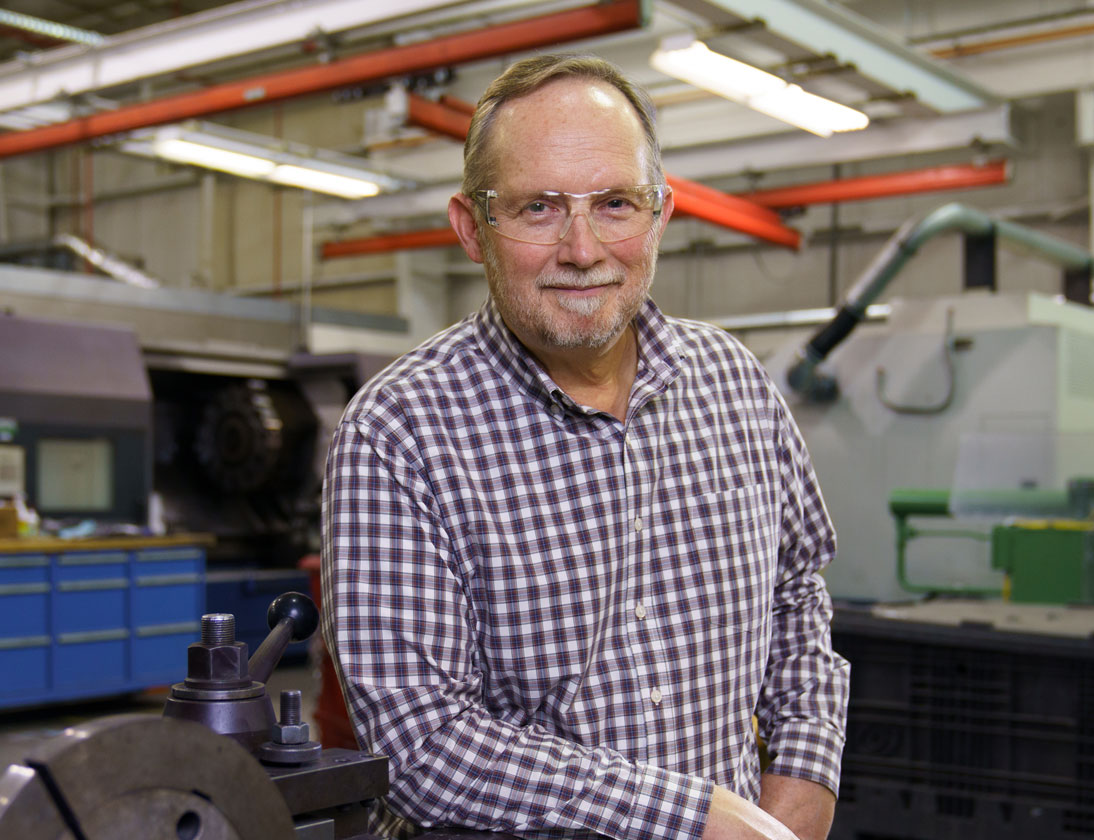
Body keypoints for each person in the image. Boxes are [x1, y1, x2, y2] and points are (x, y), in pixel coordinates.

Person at [322, 54, 848, 840]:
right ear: (473, 228)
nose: (583, 248)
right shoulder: (398, 434)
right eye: (538, 208)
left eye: (615, 204)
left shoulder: (735, 385)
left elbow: (797, 595)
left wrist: (804, 776)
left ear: (660, 214)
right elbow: (422, 743)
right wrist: (689, 819)